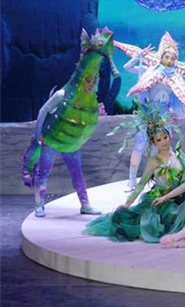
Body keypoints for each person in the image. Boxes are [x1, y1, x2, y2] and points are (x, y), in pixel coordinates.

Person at [22, 27, 120, 217]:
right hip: (52, 138)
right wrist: (39, 135)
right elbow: (43, 111)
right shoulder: (62, 94)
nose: (91, 84)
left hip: (72, 144)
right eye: (88, 80)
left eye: (94, 81)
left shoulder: (89, 101)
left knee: (78, 174)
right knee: (44, 172)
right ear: (83, 79)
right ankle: (39, 204)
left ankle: (85, 204)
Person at [115, 32, 185, 191]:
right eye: (167, 57)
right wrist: (139, 56)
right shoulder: (149, 71)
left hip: (163, 118)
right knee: (139, 146)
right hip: (147, 116)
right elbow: (126, 68)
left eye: (172, 58)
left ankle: (164, 180)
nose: (169, 61)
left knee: (164, 149)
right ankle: (132, 180)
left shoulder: (175, 78)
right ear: (161, 57)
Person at [85, 114, 185, 242]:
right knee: (169, 216)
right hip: (160, 200)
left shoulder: (178, 155)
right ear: (153, 143)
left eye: (165, 137)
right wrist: (128, 203)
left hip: (179, 196)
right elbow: (141, 184)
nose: (163, 142)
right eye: (159, 140)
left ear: (170, 136)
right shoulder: (154, 161)